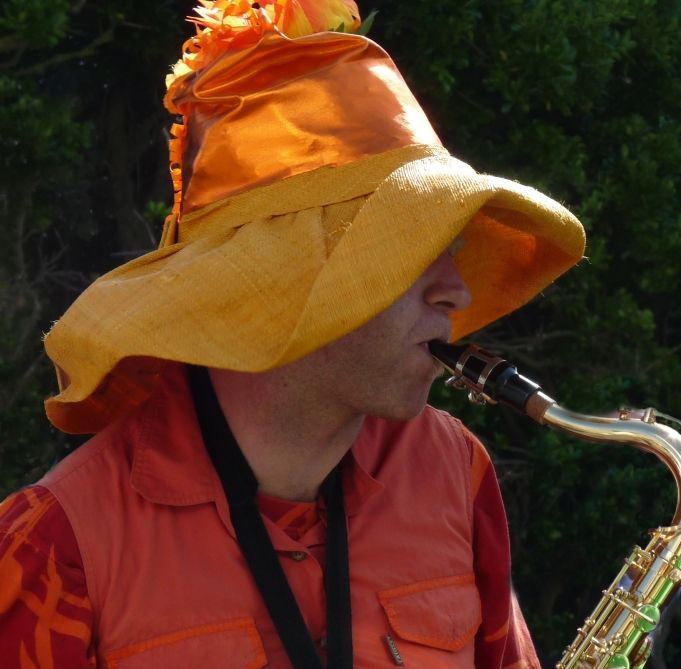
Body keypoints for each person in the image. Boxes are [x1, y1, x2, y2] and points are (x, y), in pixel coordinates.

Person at [0, 1, 585, 667]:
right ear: (288, 280)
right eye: (407, 249)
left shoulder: (456, 470)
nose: (458, 289)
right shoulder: (56, 543)